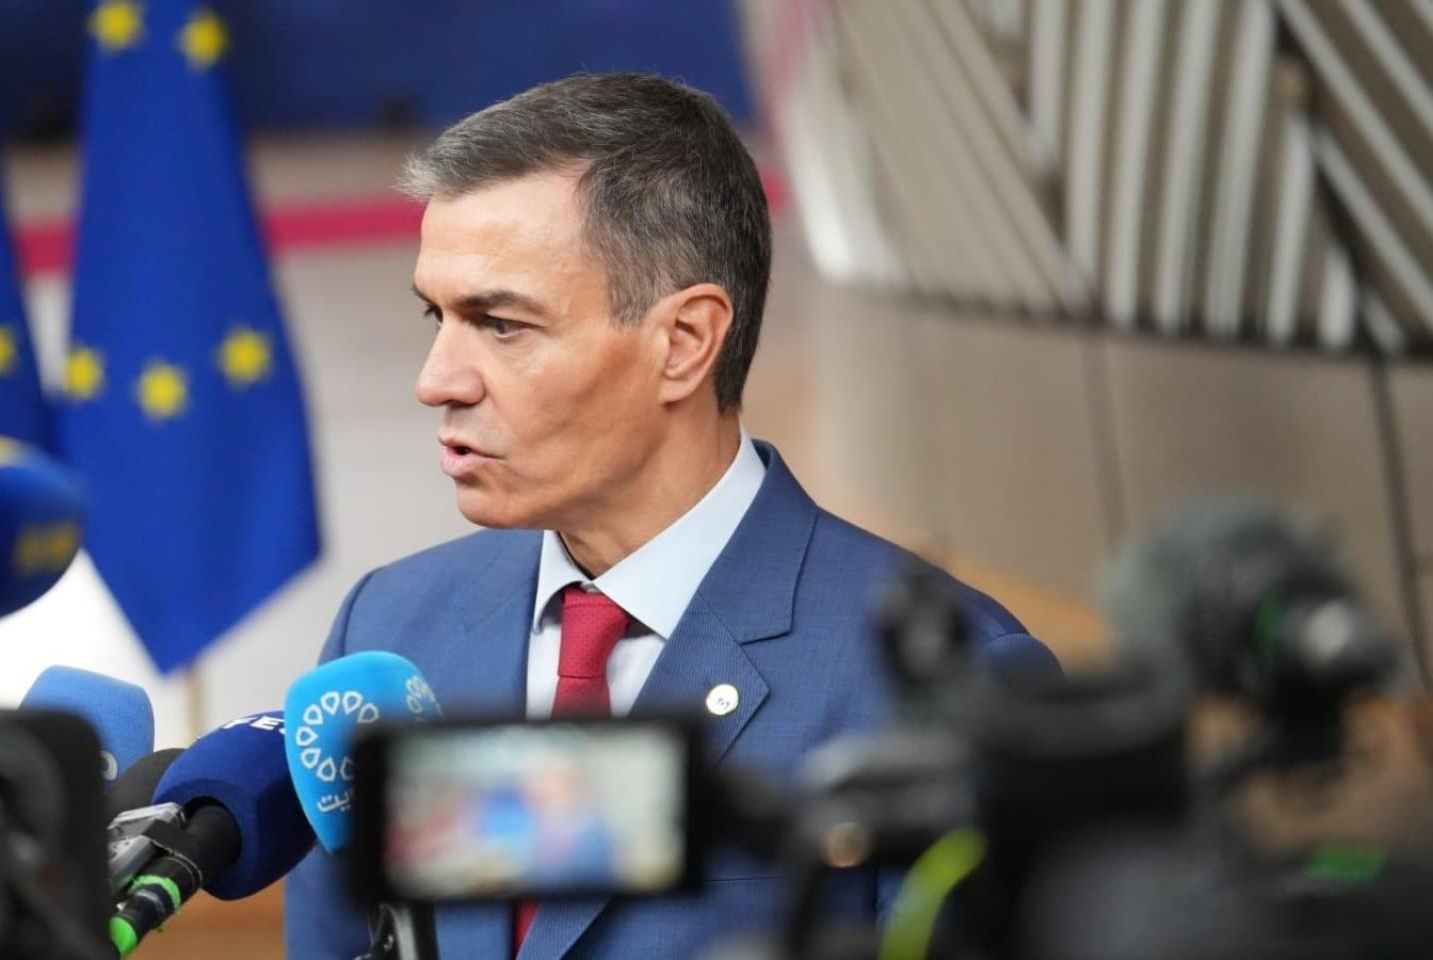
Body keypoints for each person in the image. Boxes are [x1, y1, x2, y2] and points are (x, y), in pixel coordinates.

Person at [284, 72, 1055, 959]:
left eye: (500, 324)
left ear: (685, 342)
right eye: (437, 315)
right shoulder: (387, 637)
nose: (436, 380)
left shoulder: (954, 685)